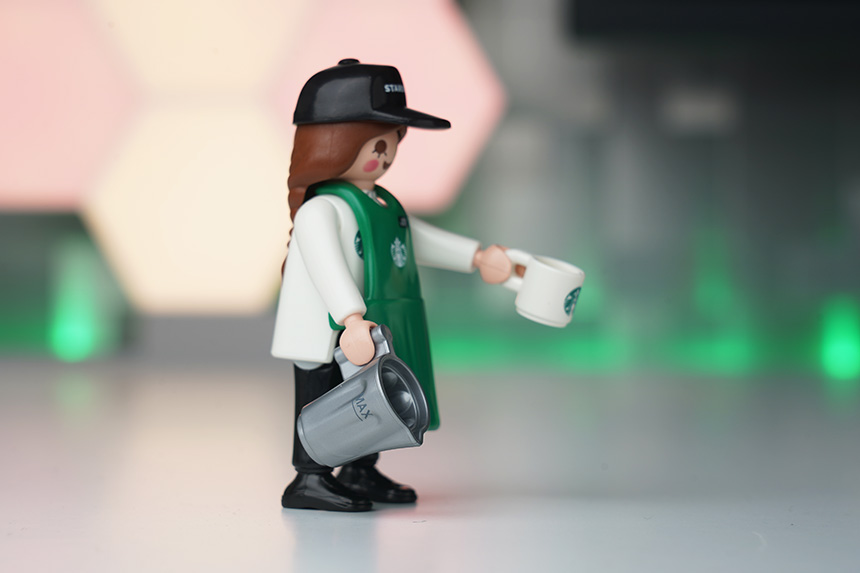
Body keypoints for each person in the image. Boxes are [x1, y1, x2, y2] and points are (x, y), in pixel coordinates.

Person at [272, 59, 514, 511]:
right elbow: (326, 266)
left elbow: (416, 238)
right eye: (374, 144)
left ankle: (360, 468)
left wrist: (476, 256)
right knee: (320, 399)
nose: (383, 156)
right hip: (325, 330)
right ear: (335, 143)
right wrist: (350, 317)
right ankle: (309, 477)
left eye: (390, 143)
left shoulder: (382, 204)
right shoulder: (320, 210)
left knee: (367, 399)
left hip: (366, 325)